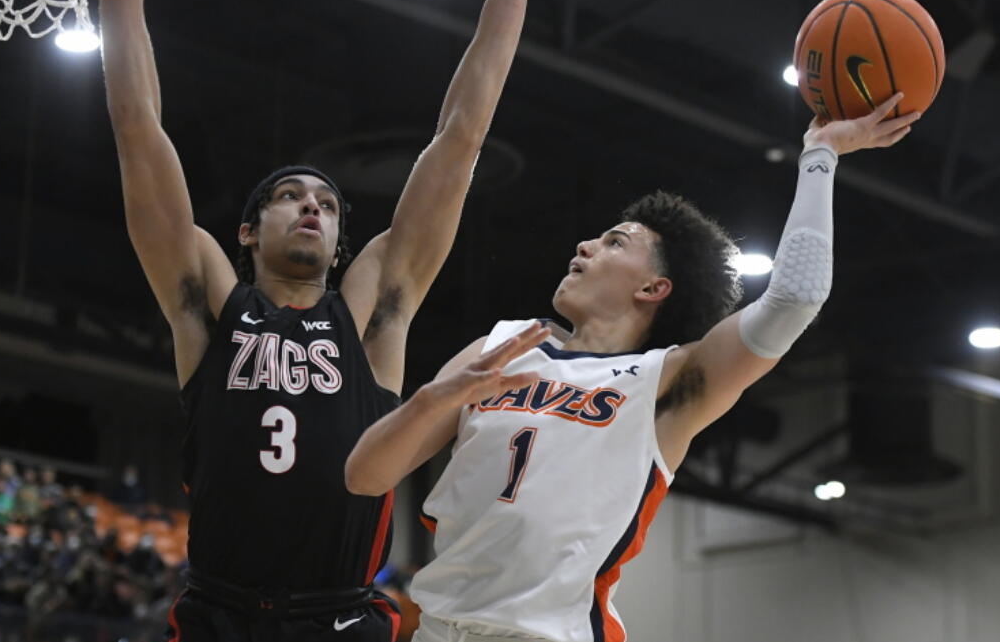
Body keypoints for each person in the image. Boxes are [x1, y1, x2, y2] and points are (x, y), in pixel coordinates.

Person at [91, 0, 556, 642]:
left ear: (342, 241)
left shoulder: (373, 313)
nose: (312, 207)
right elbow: (138, 131)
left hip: (339, 615)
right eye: (289, 197)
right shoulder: (206, 301)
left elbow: (459, 141)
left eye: (328, 204)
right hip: (217, 613)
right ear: (246, 232)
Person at [346, 96, 919, 641]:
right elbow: (363, 478)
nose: (586, 245)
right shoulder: (497, 349)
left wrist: (820, 155)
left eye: (613, 242)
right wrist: (434, 399)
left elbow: (794, 300)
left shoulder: (668, 382)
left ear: (653, 287)